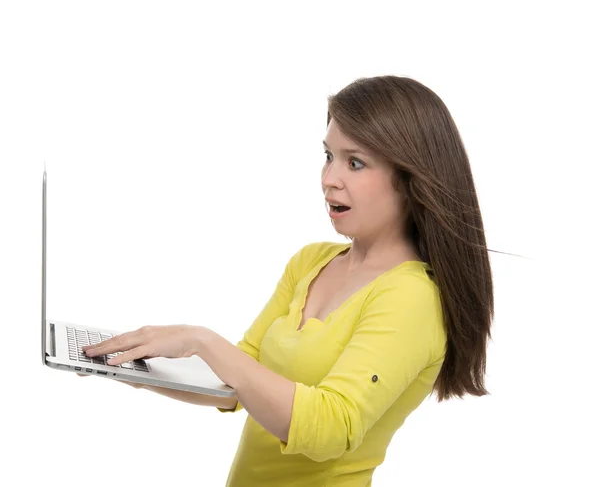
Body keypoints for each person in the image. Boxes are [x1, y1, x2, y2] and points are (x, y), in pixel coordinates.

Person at [80, 75, 494, 486]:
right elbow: (235, 383)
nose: (329, 178)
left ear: (409, 179)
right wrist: (131, 366)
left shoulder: (411, 298)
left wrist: (201, 341)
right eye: (328, 155)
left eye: (355, 162)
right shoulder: (310, 262)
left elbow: (331, 428)